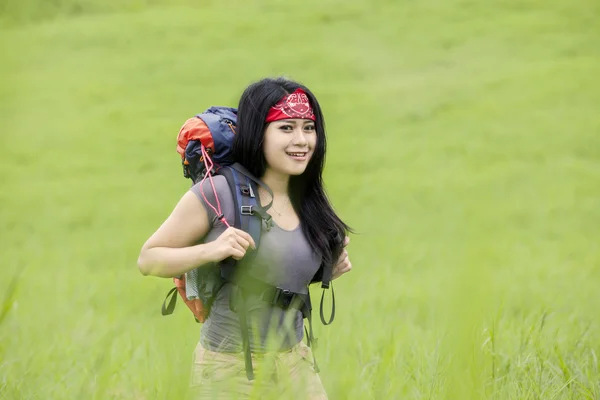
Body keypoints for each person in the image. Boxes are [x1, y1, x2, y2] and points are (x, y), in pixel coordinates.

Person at [137, 76, 353, 399]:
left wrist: (324, 270)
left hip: (296, 364)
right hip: (230, 370)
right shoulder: (219, 192)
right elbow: (148, 258)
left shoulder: (306, 197)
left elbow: (269, 279)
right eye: (286, 128)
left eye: (308, 128)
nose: (302, 140)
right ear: (258, 134)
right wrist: (212, 250)